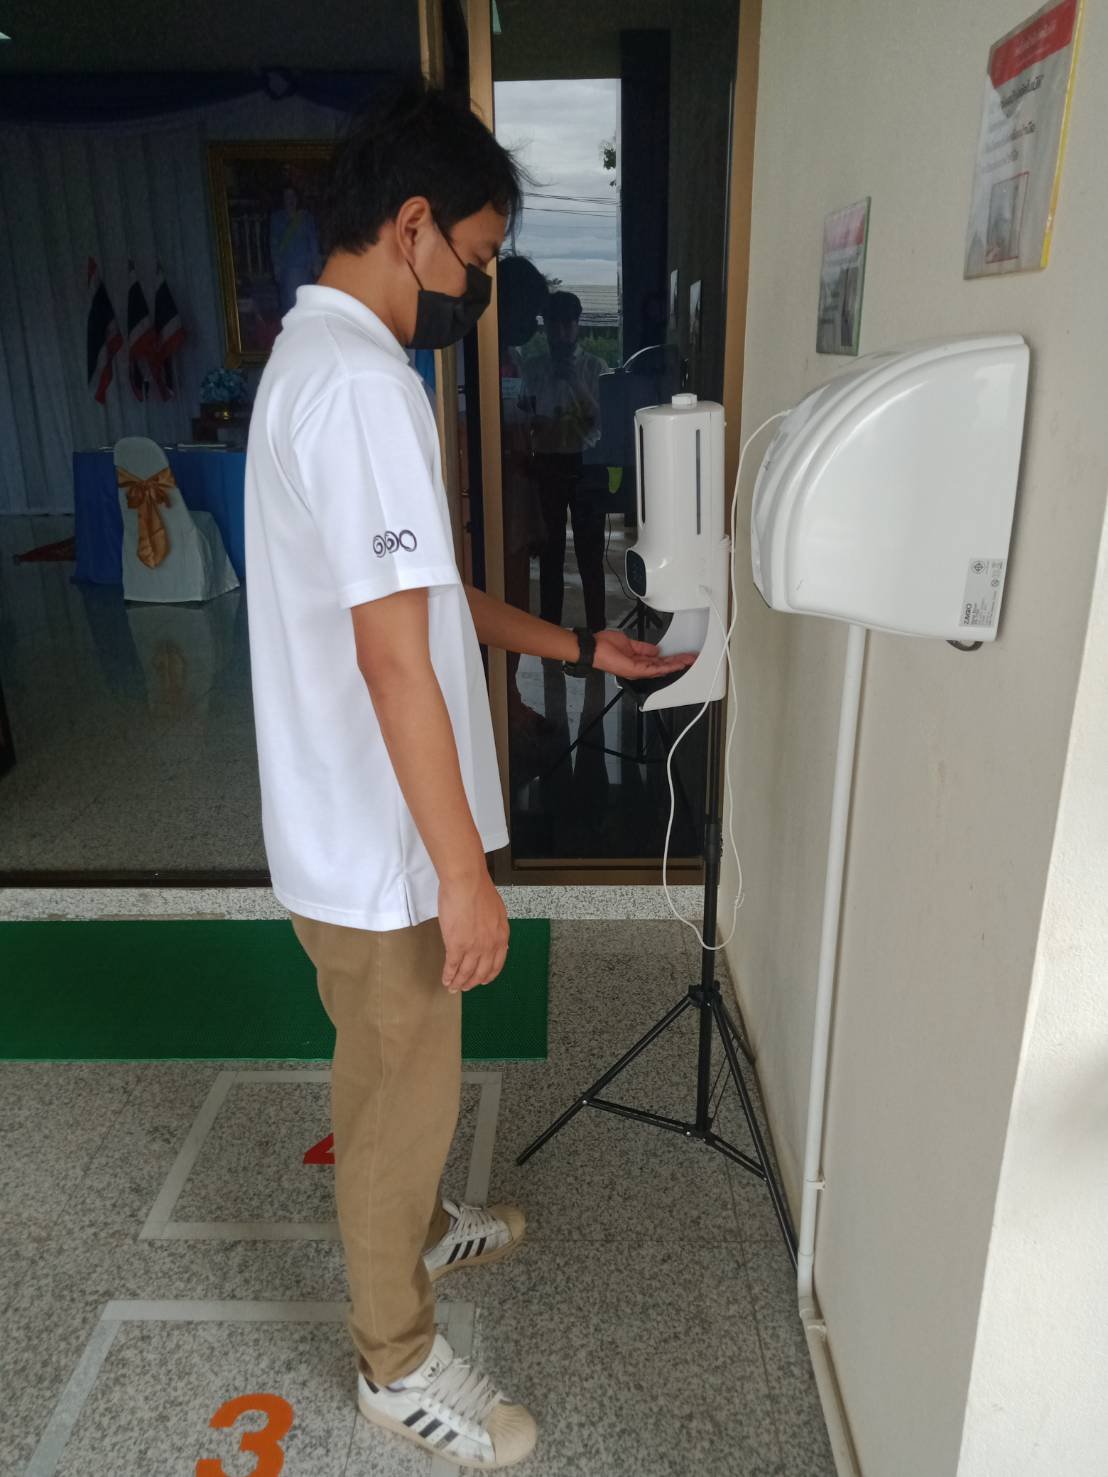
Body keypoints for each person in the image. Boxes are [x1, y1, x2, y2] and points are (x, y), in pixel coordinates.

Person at [244, 81, 694, 1470]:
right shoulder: (361, 388)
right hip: (378, 841)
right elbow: (395, 666)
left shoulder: (313, 360)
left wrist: (579, 645)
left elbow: (426, 601)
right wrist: (462, 877)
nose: (480, 286)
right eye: (479, 255)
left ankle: (423, 1223)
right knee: (397, 1099)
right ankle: (396, 1362)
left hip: (348, 820)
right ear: (413, 225)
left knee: (402, 1084)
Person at [524, 290, 609, 632]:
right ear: (545, 327)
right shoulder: (533, 369)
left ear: (578, 326)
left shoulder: (595, 368)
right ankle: (550, 631)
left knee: (590, 554)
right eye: (554, 325)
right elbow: (523, 414)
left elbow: (602, 421)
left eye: (567, 325)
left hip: (587, 464)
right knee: (550, 552)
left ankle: (598, 631)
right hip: (547, 463)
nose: (561, 333)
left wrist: (574, 380)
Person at [269, 184, 322, 315]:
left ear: (297, 198)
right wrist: (276, 267)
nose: (291, 200)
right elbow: (273, 244)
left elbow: (313, 240)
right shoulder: (277, 218)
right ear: (283, 199)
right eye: (287, 196)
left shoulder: (306, 217)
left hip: (305, 269)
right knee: (290, 305)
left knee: (306, 304)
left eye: (293, 196)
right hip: (287, 269)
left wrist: (316, 264)